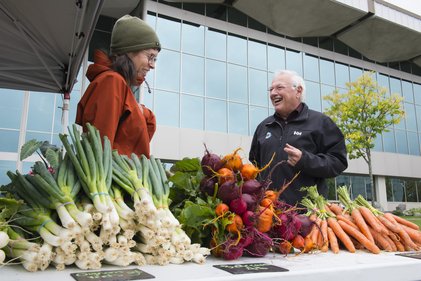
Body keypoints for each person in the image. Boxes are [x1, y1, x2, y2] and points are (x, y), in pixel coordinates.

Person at [249, 70, 348, 207]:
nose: (272, 93)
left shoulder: (320, 122)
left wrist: (305, 160)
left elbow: (338, 162)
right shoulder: (264, 126)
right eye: (270, 89)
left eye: (279, 88)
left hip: (306, 215)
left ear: (298, 91)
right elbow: (255, 167)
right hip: (266, 212)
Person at [76, 15, 161, 158]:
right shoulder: (111, 82)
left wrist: (143, 112)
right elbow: (100, 154)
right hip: (114, 179)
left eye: (155, 59)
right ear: (129, 51)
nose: (152, 65)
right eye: (150, 57)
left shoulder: (117, 83)